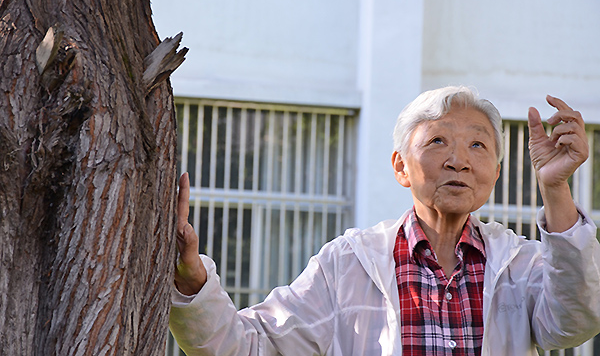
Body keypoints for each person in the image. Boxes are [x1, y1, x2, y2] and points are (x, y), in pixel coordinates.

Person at [169, 86, 600, 356]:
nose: (459, 161)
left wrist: (555, 188)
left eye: (478, 145)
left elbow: (575, 321)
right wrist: (193, 282)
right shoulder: (348, 265)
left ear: (497, 172)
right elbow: (250, 347)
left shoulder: (518, 264)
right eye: (437, 142)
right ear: (401, 167)